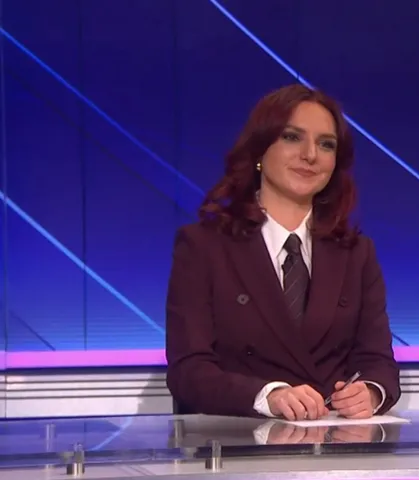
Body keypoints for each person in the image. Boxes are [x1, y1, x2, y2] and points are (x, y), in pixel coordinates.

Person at [165, 84, 400, 421]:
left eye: (326, 144)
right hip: (240, 449)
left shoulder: (356, 252)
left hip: (334, 450)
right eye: (292, 137)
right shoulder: (204, 246)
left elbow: (377, 360)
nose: (310, 155)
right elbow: (188, 371)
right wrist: (268, 396)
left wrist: (371, 392)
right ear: (260, 150)